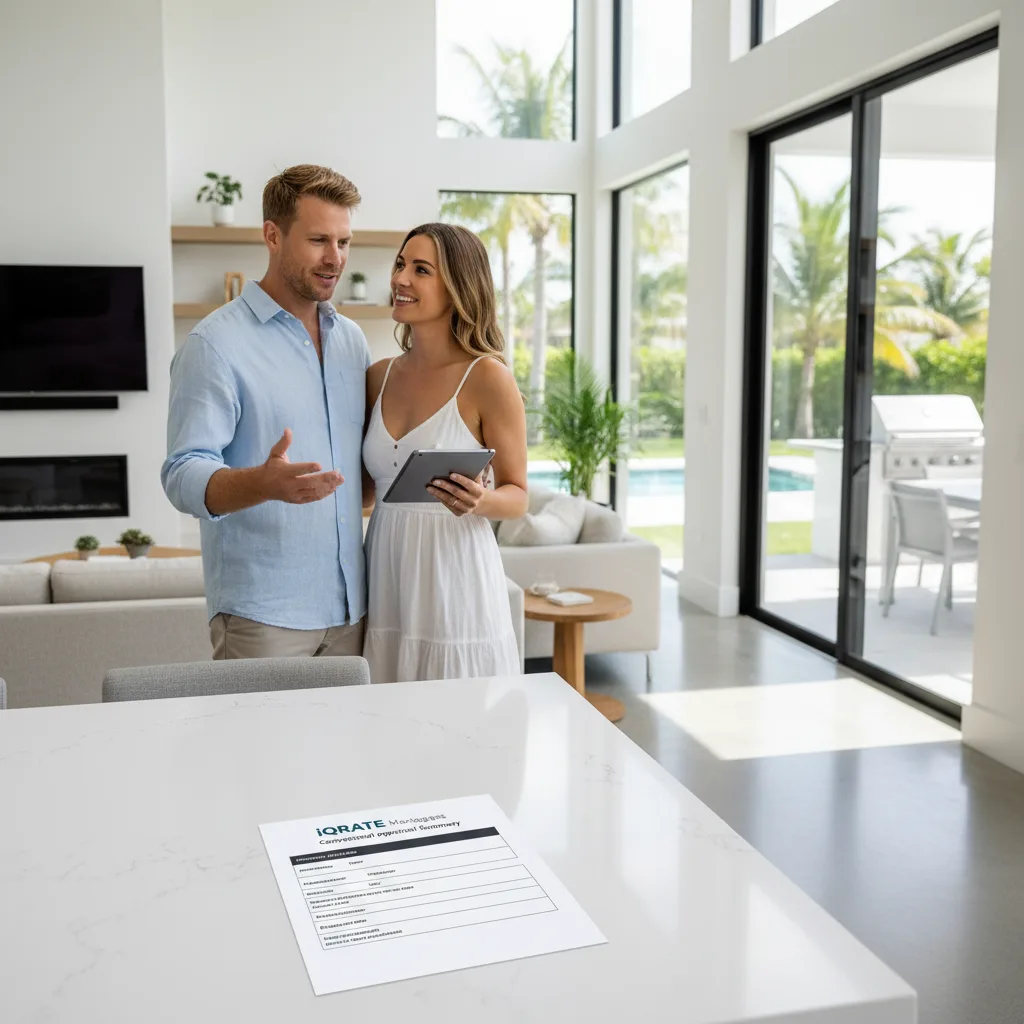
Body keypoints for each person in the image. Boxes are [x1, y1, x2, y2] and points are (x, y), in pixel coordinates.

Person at [161, 164, 369, 659]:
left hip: (352, 612)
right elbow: (181, 473)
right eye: (319, 239)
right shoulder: (215, 344)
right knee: (254, 741)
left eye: (344, 242)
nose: (334, 258)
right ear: (272, 236)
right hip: (263, 616)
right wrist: (263, 483)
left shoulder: (351, 342)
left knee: (350, 741)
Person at [362, 223, 528, 683]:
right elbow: (364, 494)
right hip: (387, 576)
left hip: (455, 581)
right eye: (399, 265)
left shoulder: (488, 379)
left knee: (459, 723)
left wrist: (482, 500)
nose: (400, 279)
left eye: (421, 270)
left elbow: (518, 495)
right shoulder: (377, 376)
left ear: (457, 286)